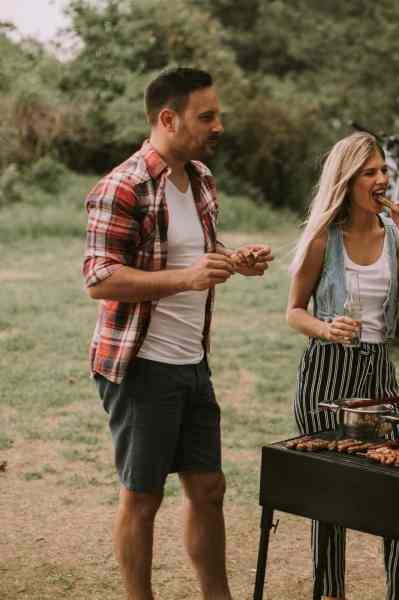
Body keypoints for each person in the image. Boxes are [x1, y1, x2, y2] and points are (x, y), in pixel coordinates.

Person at [82, 66, 274, 600]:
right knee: (143, 498)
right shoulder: (122, 187)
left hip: (193, 362)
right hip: (141, 366)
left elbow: (194, 256)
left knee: (209, 489)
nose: (218, 126)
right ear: (167, 118)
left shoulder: (202, 181)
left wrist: (235, 260)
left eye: (218, 115)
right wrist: (187, 278)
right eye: (205, 116)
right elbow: (100, 278)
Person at [286, 131, 399, 600]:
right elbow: (294, 312)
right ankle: (330, 593)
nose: (382, 179)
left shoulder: (391, 237)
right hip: (326, 371)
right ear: (348, 181)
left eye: (384, 170)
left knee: (397, 487)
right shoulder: (322, 239)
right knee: (331, 495)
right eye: (370, 172)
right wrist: (325, 328)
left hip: (378, 373)